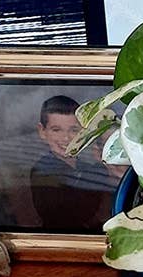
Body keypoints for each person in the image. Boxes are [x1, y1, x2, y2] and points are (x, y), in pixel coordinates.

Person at [30, 95, 117, 232]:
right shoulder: (43, 170)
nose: (66, 138)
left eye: (74, 130)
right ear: (42, 131)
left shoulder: (88, 168)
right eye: (56, 130)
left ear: (83, 131)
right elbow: (74, 217)